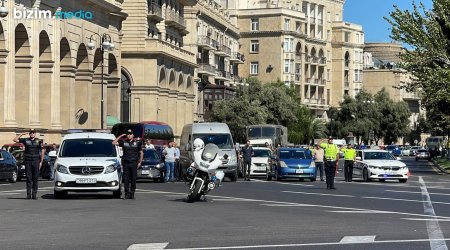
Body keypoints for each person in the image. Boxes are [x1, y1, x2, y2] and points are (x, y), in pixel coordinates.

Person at [13, 129, 45, 200]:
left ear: (35, 134)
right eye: (31, 133)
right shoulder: (25, 140)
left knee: (35, 178)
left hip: (36, 161)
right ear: (29, 134)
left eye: (33, 133)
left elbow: (42, 150)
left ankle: (34, 195)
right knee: (28, 178)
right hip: (28, 161)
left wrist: (41, 161)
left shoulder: (39, 141)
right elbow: (15, 140)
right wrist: (22, 133)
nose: (32, 134)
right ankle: (28, 195)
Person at [113, 129, 143, 199]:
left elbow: (141, 152)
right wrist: (120, 136)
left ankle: (132, 193)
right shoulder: (123, 142)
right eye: (128, 134)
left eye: (130, 134)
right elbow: (113, 143)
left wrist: (140, 162)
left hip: (134, 163)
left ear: (133, 135)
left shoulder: (137, 143)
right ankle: (126, 194)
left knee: (133, 179)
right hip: (126, 163)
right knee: (126, 179)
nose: (129, 135)